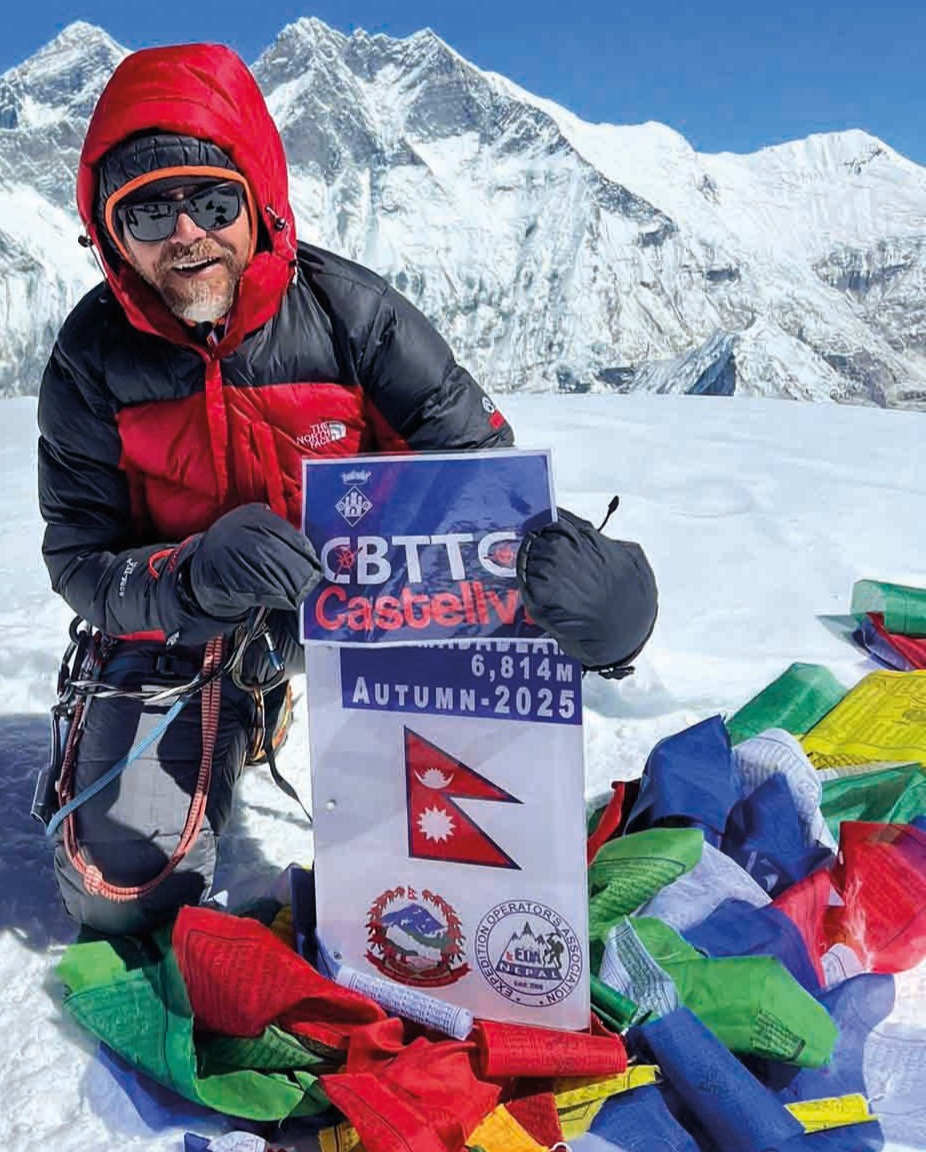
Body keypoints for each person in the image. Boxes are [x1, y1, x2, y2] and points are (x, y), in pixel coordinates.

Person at [35, 42, 657, 936]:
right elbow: (82, 562)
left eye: (212, 200)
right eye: (146, 214)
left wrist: (606, 608)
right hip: (184, 619)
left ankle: (267, 695)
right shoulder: (92, 359)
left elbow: (480, 499)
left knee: (462, 860)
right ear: (108, 236)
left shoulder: (355, 320)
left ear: (258, 199)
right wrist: (193, 578)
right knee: (122, 887)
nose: (185, 235)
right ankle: (233, 700)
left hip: (370, 612)